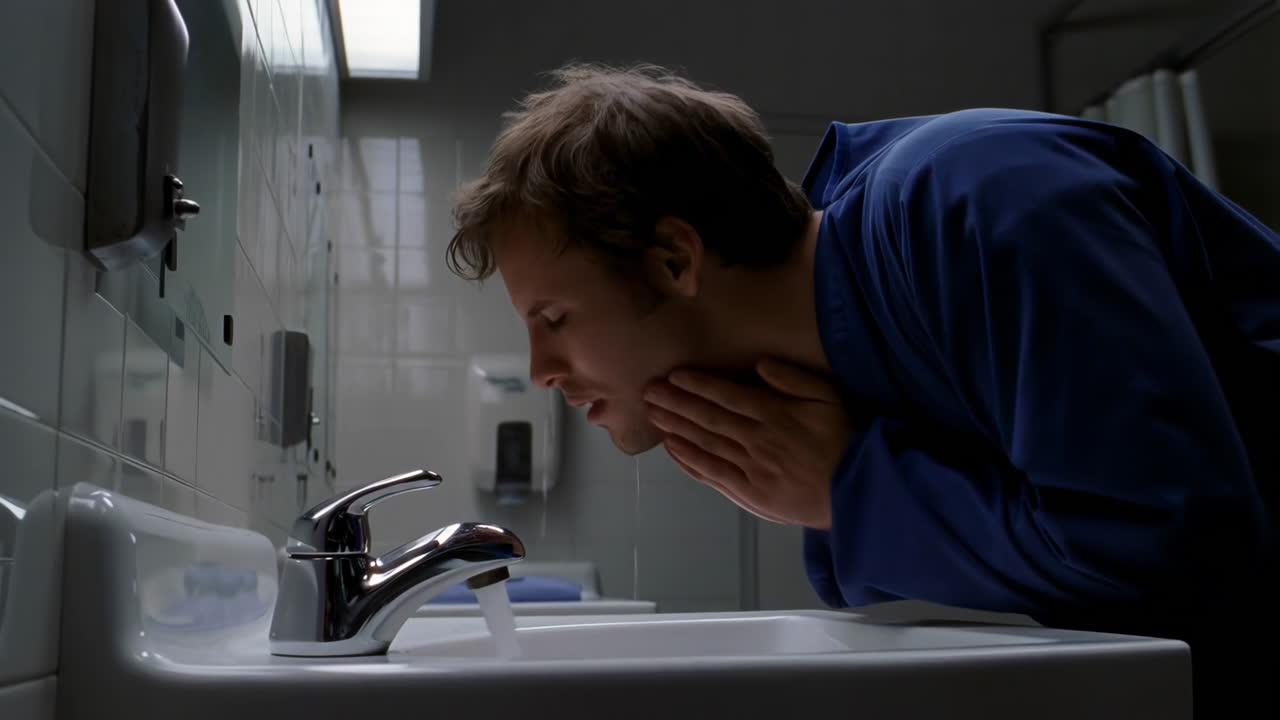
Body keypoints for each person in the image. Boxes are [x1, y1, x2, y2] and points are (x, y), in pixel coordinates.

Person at [447, 64, 1278, 714]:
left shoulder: (986, 200)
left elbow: (1178, 545)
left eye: (554, 316)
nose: (542, 370)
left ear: (675, 258)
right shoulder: (839, 366)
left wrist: (852, 492)